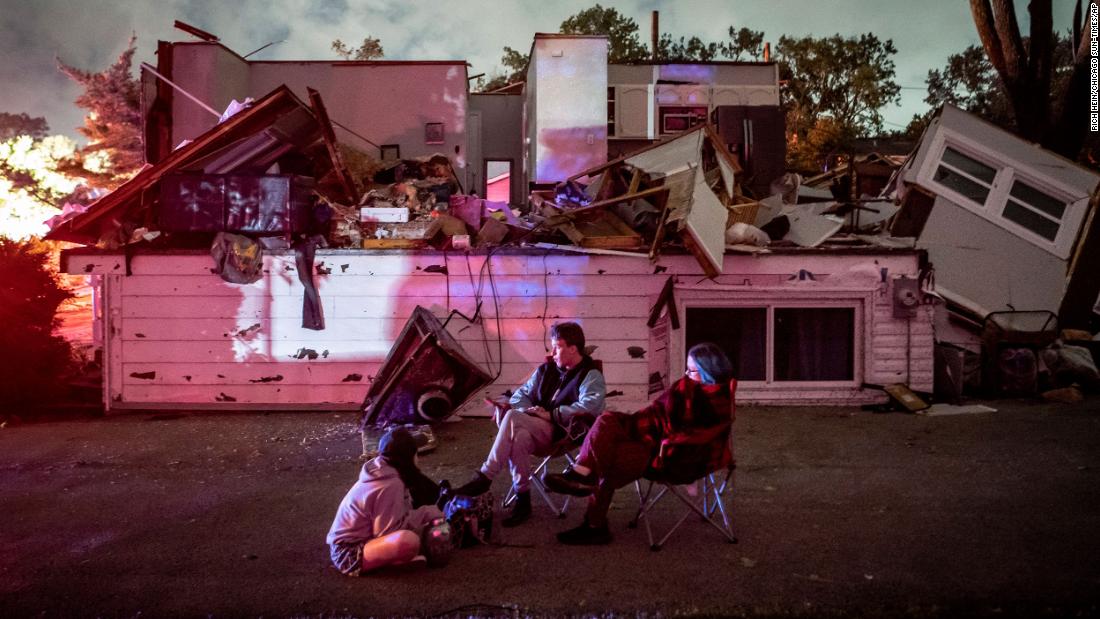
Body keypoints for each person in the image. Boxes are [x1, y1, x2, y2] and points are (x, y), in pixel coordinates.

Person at [544, 342, 735, 545]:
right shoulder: (686, 386)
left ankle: (593, 519)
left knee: (608, 458)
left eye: (692, 370)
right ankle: (584, 476)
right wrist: (644, 426)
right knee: (606, 421)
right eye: (686, 368)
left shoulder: (714, 401)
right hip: (651, 439)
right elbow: (658, 411)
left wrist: (659, 435)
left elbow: (691, 434)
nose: (687, 374)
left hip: (672, 454)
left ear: (709, 371)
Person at [451, 322, 606, 527]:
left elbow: (591, 406)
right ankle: (523, 499)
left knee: (513, 418)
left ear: (573, 348)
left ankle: (486, 476)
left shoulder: (590, 374)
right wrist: (530, 412)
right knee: (520, 436)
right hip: (534, 427)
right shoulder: (546, 370)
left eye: (557, 347)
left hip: (563, 433)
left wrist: (550, 415)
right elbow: (520, 396)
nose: (553, 353)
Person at [326, 427, 445, 575]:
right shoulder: (390, 484)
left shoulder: (386, 471)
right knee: (408, 541)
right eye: (415, 453)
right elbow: (386, 532)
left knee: (421, 531)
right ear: (408, 457)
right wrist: (425, 513)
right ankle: (393, 562)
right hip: (349, 554)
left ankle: (395, 560)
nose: (417, 458)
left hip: (363, 543)